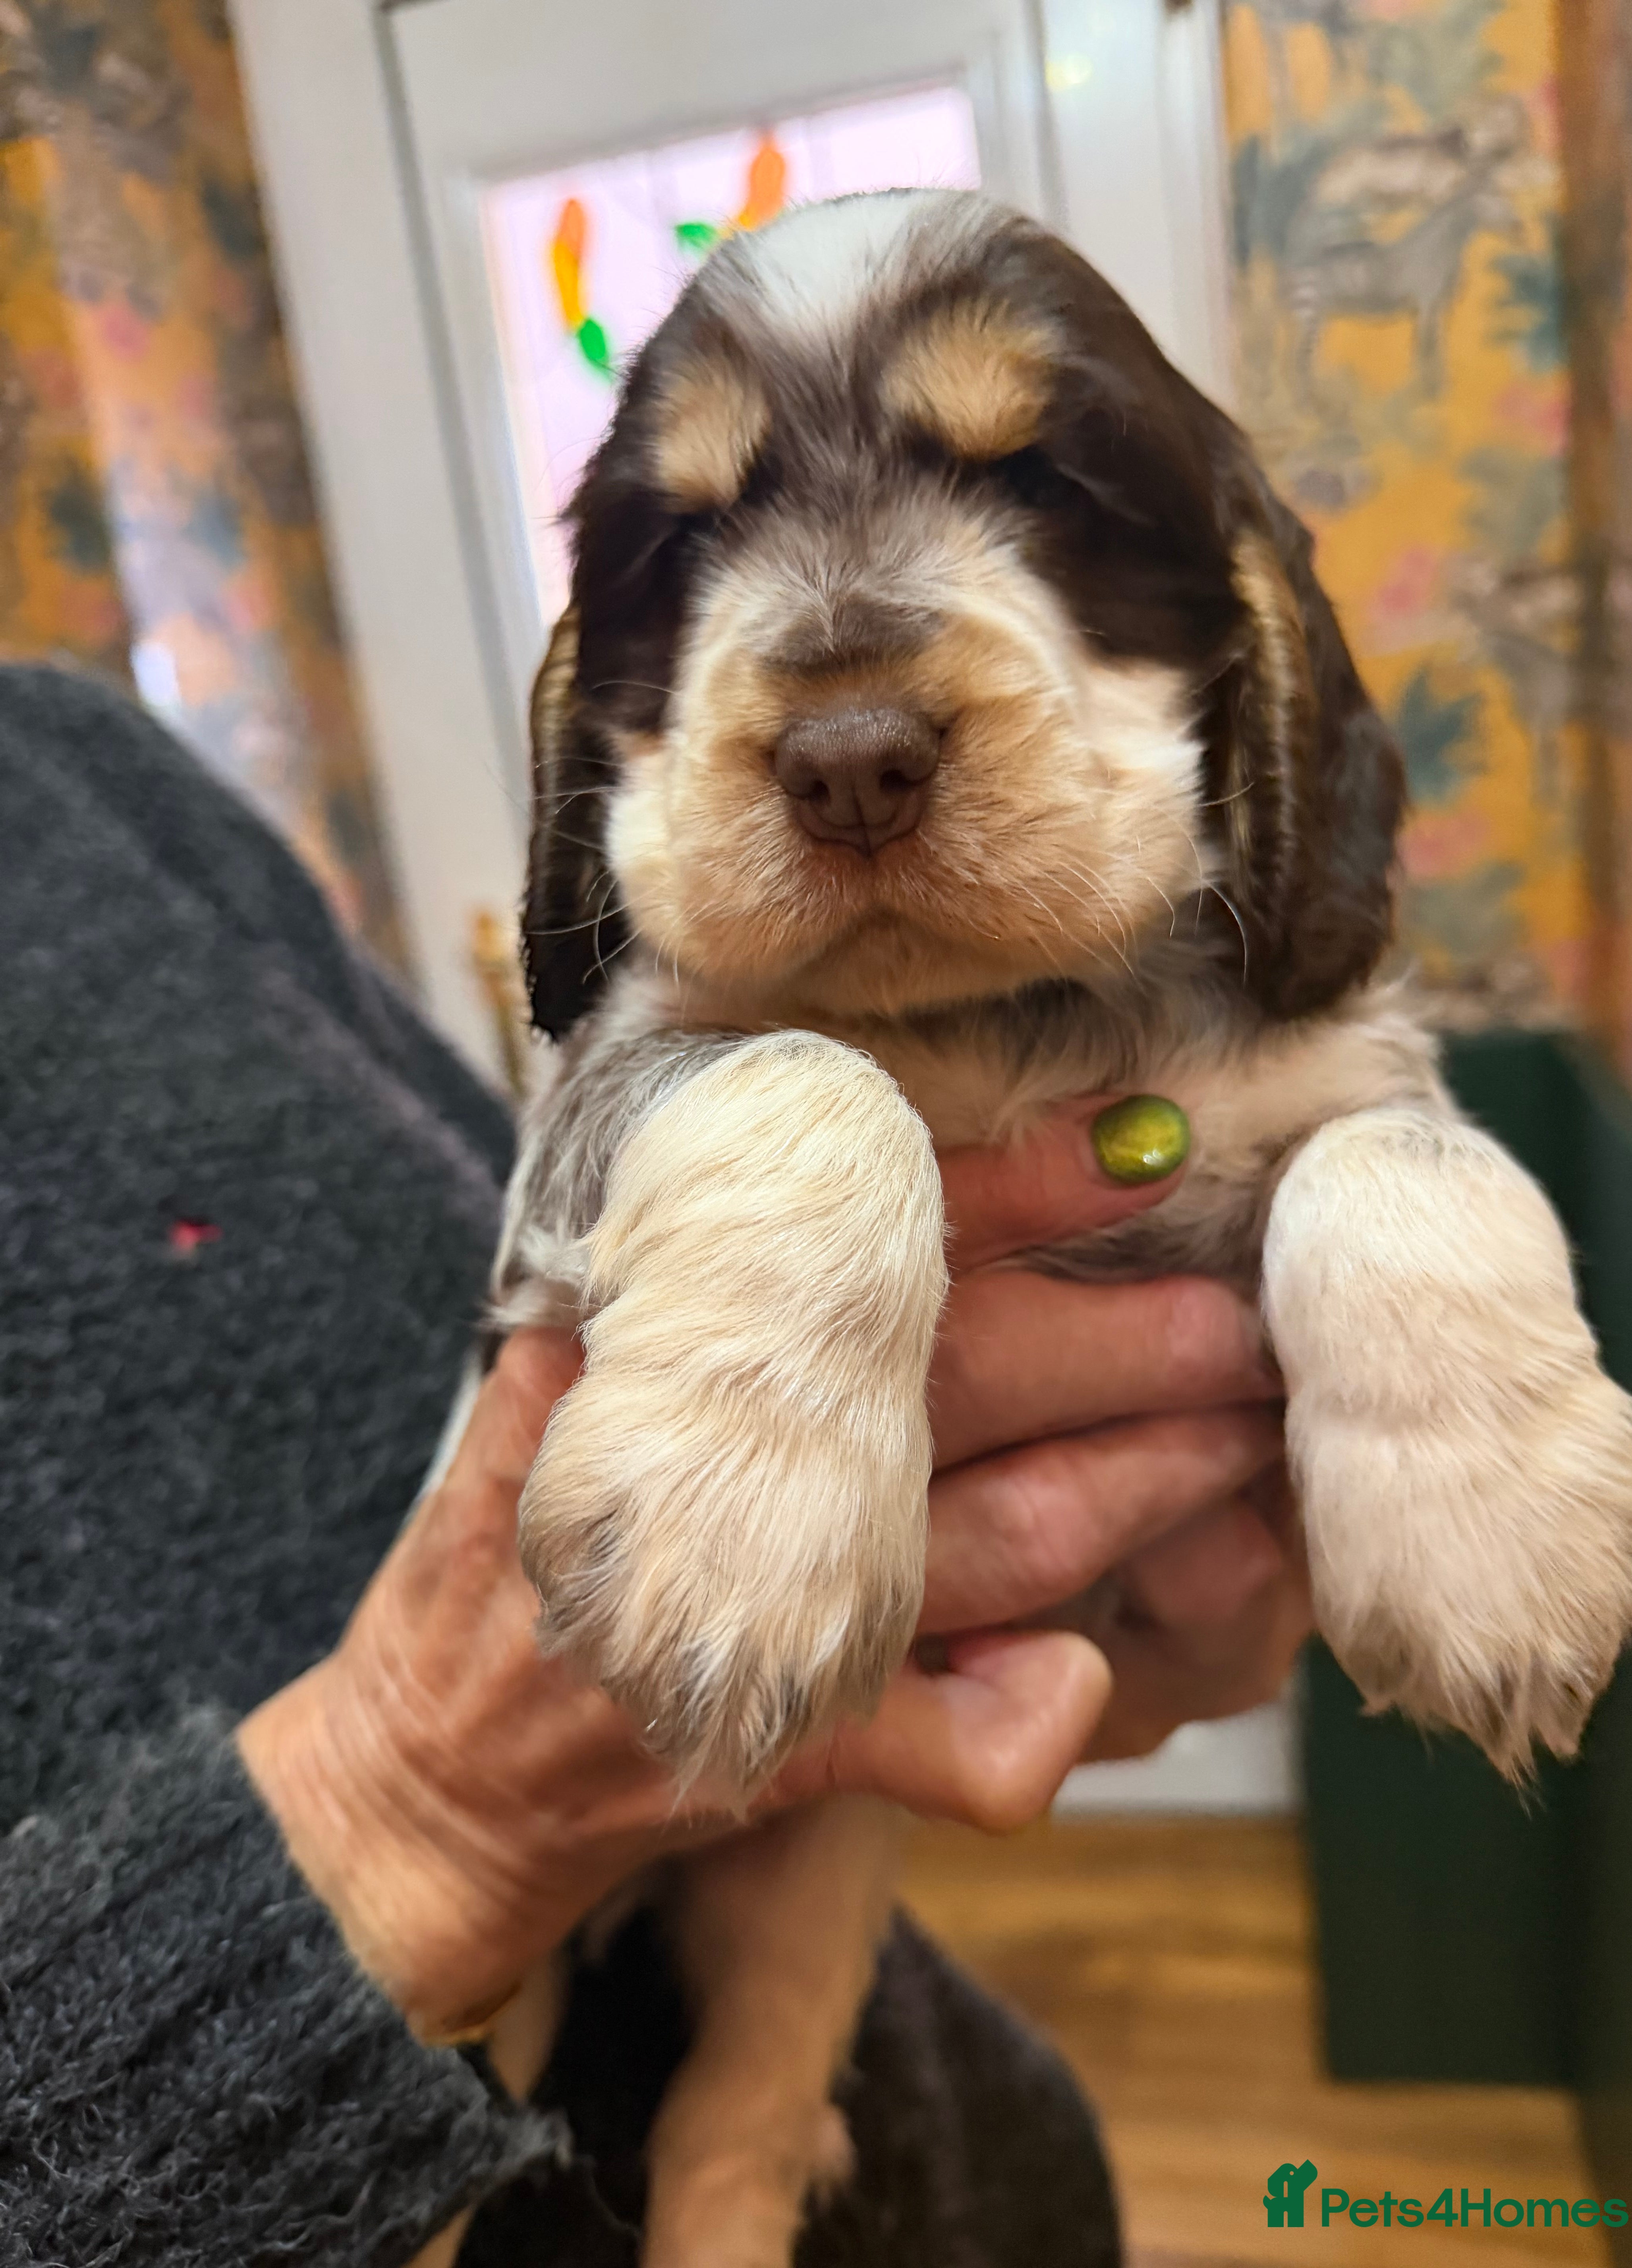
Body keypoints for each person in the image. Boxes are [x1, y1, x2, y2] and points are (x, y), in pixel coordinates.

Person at [0, 663, 1308, 2265]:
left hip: (940, 2146)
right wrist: (407, 1813)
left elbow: (528, 1281)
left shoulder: (77, 758)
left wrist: (1035, 1606)